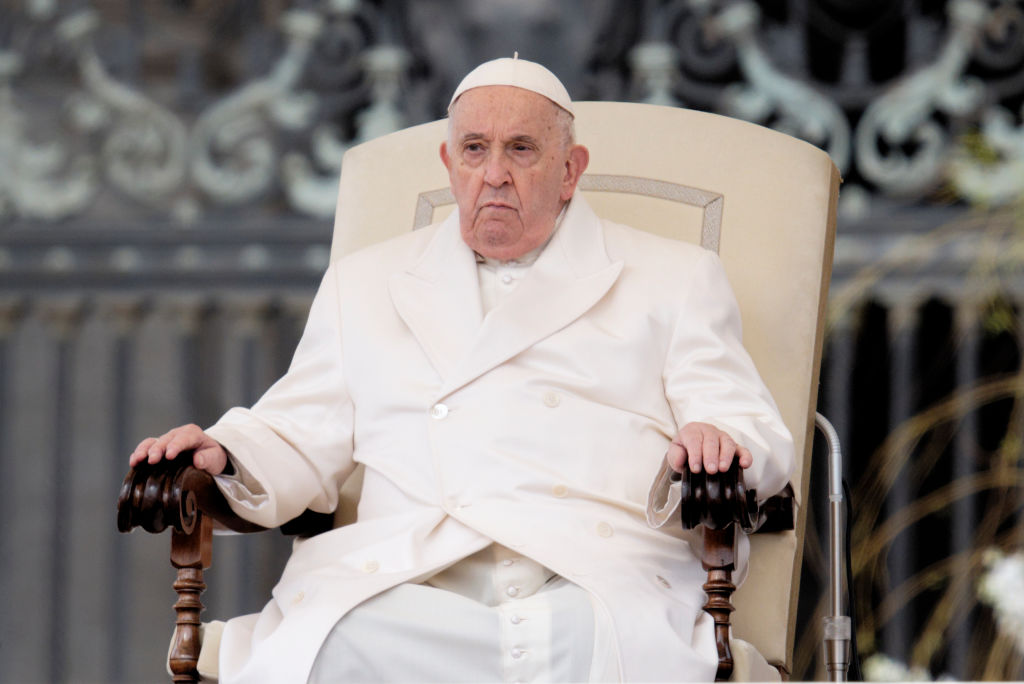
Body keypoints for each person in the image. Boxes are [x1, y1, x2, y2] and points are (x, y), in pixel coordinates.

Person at [130, 57, 793, 683]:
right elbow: (301, 431)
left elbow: (744, 420)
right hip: (405, 577)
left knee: (592, 644)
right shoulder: (365, 282)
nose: (494, 174)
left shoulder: (673, 277)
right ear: (450, 165)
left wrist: (718, 439)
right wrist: (227, 449)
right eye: (475, 150)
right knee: (337, 641)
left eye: (521, 149)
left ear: (571, 169)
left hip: (588, 574)